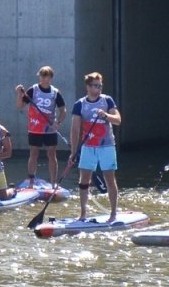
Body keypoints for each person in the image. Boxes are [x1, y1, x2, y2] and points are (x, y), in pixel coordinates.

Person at [69, 72, 123, 223]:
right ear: (88, 87)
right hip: (88, 146)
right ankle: (83, 214)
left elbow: (118, 120)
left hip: (107, 146)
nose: (99, 88)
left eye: (100, 86)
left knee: (109, 179)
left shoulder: (107, 101)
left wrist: (106, 115)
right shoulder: (80, 104)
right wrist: (73, 152)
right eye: (96, 86)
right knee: (84, 178)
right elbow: (74, 130)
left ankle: (113, 214)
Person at [15, 66, 66, 188]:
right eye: (41, 76)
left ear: (50, 77)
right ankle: (31, 182)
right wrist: (19, 94)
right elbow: (20, 106)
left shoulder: (55, 92)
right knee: (33, 154)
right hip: (35, 128)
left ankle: (53, 183)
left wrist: (58, 123)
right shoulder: (33, 90)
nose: (42, 78)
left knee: (51, 155)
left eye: (45, 76)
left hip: (50, 129)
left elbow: (63, 111)